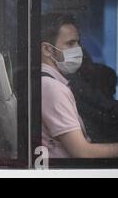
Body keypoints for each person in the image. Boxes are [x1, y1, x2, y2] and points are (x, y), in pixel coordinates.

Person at [41, 13, 118, 158]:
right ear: (47, 50)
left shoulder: (52, 84)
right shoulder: (52, 88)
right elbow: (82, 152)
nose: (79, 50)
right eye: (70, 43)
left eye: (78, 43)